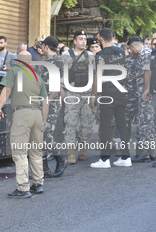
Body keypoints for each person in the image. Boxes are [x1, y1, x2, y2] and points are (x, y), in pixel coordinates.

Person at [0, 51, 48, 199]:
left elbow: (6, 90)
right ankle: (38, 184)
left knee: (20, 152)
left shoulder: (14, 71)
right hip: (37, 114)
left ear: (18, 60)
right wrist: (43, 120)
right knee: (36, 152)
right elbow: (45, 102)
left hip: (22, 114)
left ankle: (23, 187)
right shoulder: (38, 77)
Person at [90, 28, 132, 168]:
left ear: (100, 38)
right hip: (121, 91)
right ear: (112, 37)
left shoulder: (101, 54)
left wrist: (93, 94)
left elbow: (98, 75)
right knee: (122, 124)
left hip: (107, 93)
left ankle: (105, 159)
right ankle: (126, 157)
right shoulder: (121, 52)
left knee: (105, 125)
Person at [61, 30, 95, 164]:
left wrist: (94, 95)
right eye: (80, 39)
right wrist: (62, 91)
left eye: (85, 39)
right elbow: (60, 74)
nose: (83, 41)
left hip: (87, 93)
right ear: (75, 41)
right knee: (71, 122)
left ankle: (83, 151)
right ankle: (70, 153)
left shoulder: (90, 56)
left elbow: (94, 75)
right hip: (72, 93)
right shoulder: (65, 55)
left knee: (87, 123)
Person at [38, 36, 68, 177]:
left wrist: (48, 101)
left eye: (42, 46)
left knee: (46, 133)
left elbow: (56, 87)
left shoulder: (57, 62)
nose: (40, 48)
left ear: (46, 46)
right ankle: (43, 168)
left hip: (51, 103)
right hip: (42, 102)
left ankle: (61, 159)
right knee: (40, 134)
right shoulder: (47, 61)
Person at [126, 36, 155, 162]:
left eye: (129, 49)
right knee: (148, 123)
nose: (129, 52)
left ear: (133, 46)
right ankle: (151, 152)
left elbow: (148, 71)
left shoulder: (144, 53)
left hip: (146, 96)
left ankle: (145, 153)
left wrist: (146, 90)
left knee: (145, 123)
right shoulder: (146, 53)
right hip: (144, 94)